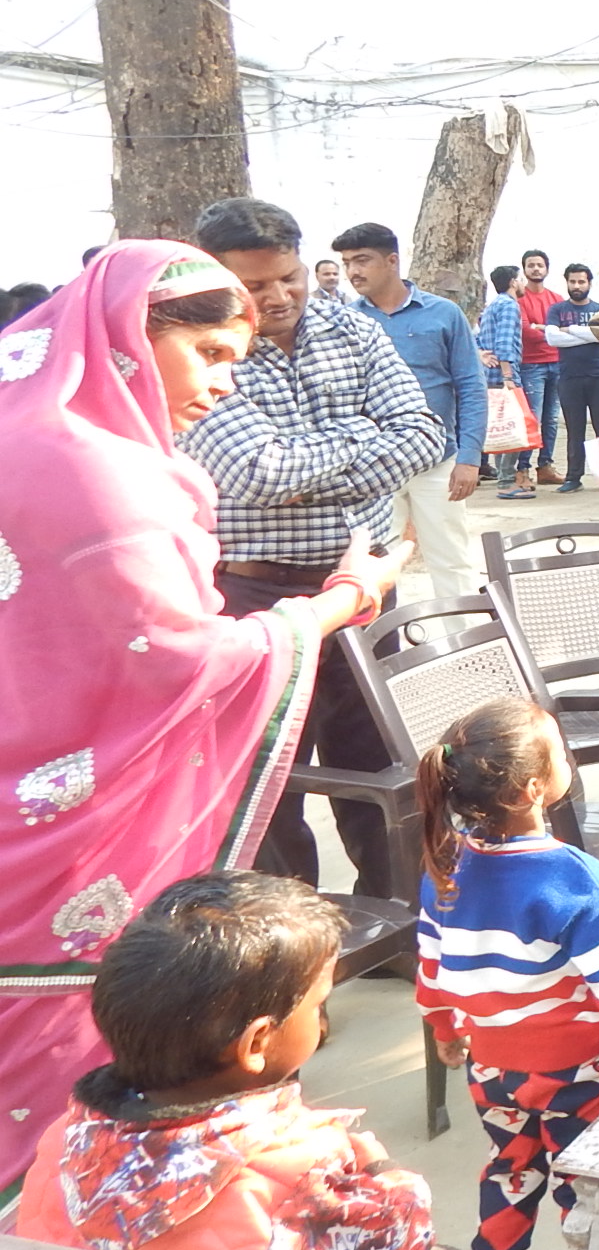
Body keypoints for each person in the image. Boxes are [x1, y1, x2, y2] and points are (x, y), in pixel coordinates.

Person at [0, 241, 400, 1202]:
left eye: (238, 360)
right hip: (68, 834)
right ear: (129, 337)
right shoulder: (98, 472)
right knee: (69, 1066)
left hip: (27, 791)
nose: (225, 386)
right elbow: (183, 661)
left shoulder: (27, 433)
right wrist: (342, 599)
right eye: (211, 354)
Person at [17, 871, 475, 1250]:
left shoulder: (63, 1140)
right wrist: (389, 1179)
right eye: (318, 1004)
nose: (321, 1020)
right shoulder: (306, 1177)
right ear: (256, 1044)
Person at [187, 199, 447, 895]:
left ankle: (395, 920)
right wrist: (363, 435)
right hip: (255, 595)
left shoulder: (351, 327)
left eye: (289, 277)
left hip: (365, 589)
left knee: (383, 768)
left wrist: (307, 469)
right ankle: (286, 933)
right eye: (255, 285)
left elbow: (425, 434)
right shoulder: (202, 349)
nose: (278, 297)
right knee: (268, 778)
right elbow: (256, 473)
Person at [414, 699, 599, 1250]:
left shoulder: (445, 866)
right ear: (532, 789)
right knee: (586, 1178)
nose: (568, 757)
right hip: (574, 1072)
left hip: (491, 1068)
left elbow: (432, 964)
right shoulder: (573, 879)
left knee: (511, 1169)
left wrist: (444, 1026)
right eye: (560, 750)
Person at [334, 222, 487, 600]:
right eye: (347, 263)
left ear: (392, 261)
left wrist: (469, 457)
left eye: (362, 260)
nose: (353, 271)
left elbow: (470, 385)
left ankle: (466, 635)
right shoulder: (345, 321)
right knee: (373, 563)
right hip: (374, 464)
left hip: (438, 460)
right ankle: (383, 638)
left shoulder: (443, 314)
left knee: (451, 560)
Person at [545, 262, 599, 494]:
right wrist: (590, 334)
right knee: (574, 430)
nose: (577, 286)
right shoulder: (557, 310)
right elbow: (552, 338)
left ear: (589, 283)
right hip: (569, 378)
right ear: (566, 282)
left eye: (581, 281)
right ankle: (573, 478)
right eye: (573, 281)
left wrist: (569, 330)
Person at [514, 249, 564, 486]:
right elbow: (526, 332)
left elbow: (565, 329)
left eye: (540, 265)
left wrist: (541, 328)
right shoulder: (519, 299)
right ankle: (522, 469)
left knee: (552, 419)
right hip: (531, 365)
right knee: (532, 417)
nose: (535, 269)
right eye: (531, 265)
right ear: (524, 269)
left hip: (557, 363)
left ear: (547, 269)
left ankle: (545, 466)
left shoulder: (557, 299)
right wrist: (551, 332)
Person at [476, 264, 526, 487]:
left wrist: (481, 355)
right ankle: (507, 478)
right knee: (514, 423)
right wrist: (508, 376)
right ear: (513, 282)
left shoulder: (491, 306)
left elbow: (478, 339)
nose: (523, 284)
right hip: (504, 373)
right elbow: (504, 342)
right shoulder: (508, 305)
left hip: (489, 374)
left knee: (500, 424)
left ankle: (504, 478)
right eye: (520, 279)